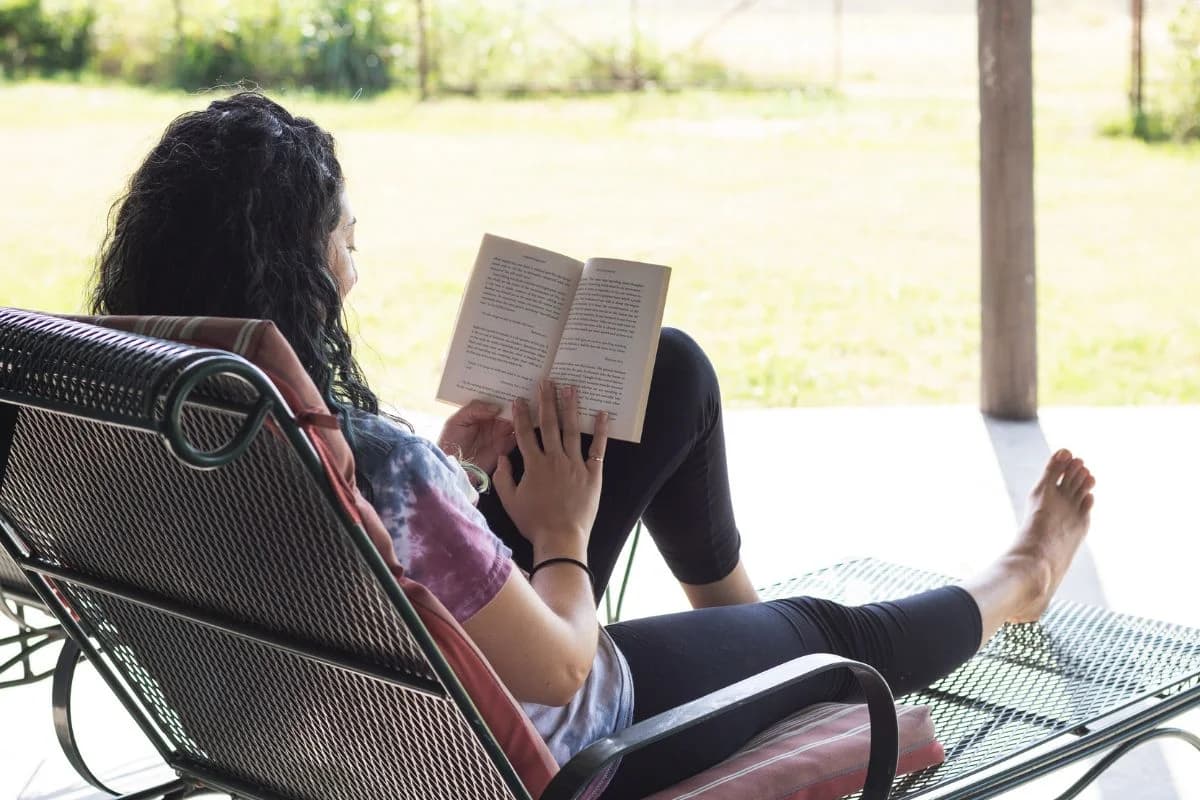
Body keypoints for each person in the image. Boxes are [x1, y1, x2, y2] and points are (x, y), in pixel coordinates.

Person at [90, 91, 1095, 799]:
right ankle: (1012, 581)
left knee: (665, 373)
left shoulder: (150, 421)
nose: (357, 264)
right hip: (532, 746)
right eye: (346, 244)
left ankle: (746, 641)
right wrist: (559, 533)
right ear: (294, 273)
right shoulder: (376, 470)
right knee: (840, 632)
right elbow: (566, 670)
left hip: (347, 712)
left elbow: (349, 559)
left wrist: (458, 475)